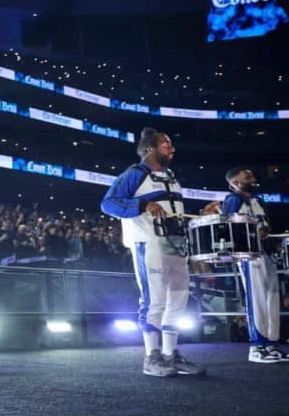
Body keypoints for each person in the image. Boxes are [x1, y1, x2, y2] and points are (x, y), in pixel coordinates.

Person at [101, 127, 205, 377]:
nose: (172, 149)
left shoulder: (171, 177)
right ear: (150, 149)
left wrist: (203, 213)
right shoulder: (134, 174)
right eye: (166, 144)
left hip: (176, 245)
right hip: (149, 244)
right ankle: (152, 357)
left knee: (178, 299)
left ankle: (170, 354)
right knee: (154, 300)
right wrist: (143, 204)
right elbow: (108, 203)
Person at [202, 167, 288, 363]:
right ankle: (257, 346)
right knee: (257, 299)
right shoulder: (233, 200)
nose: (253, 179)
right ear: (235, 183)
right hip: (249, 255)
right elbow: (227, 225)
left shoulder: (258, 201)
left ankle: (271, 343)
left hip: (266, 252)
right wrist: (252, 233)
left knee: (271, 298)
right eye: (247, 177)